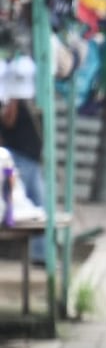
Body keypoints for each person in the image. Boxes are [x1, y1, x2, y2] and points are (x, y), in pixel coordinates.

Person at [0, 93, 44, 262]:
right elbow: (8, 119)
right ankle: (38, 253)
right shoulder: (12, 95)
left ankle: (39, 253)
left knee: (36, 205)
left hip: (30, 156)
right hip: (20, 156)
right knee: (24, 201)